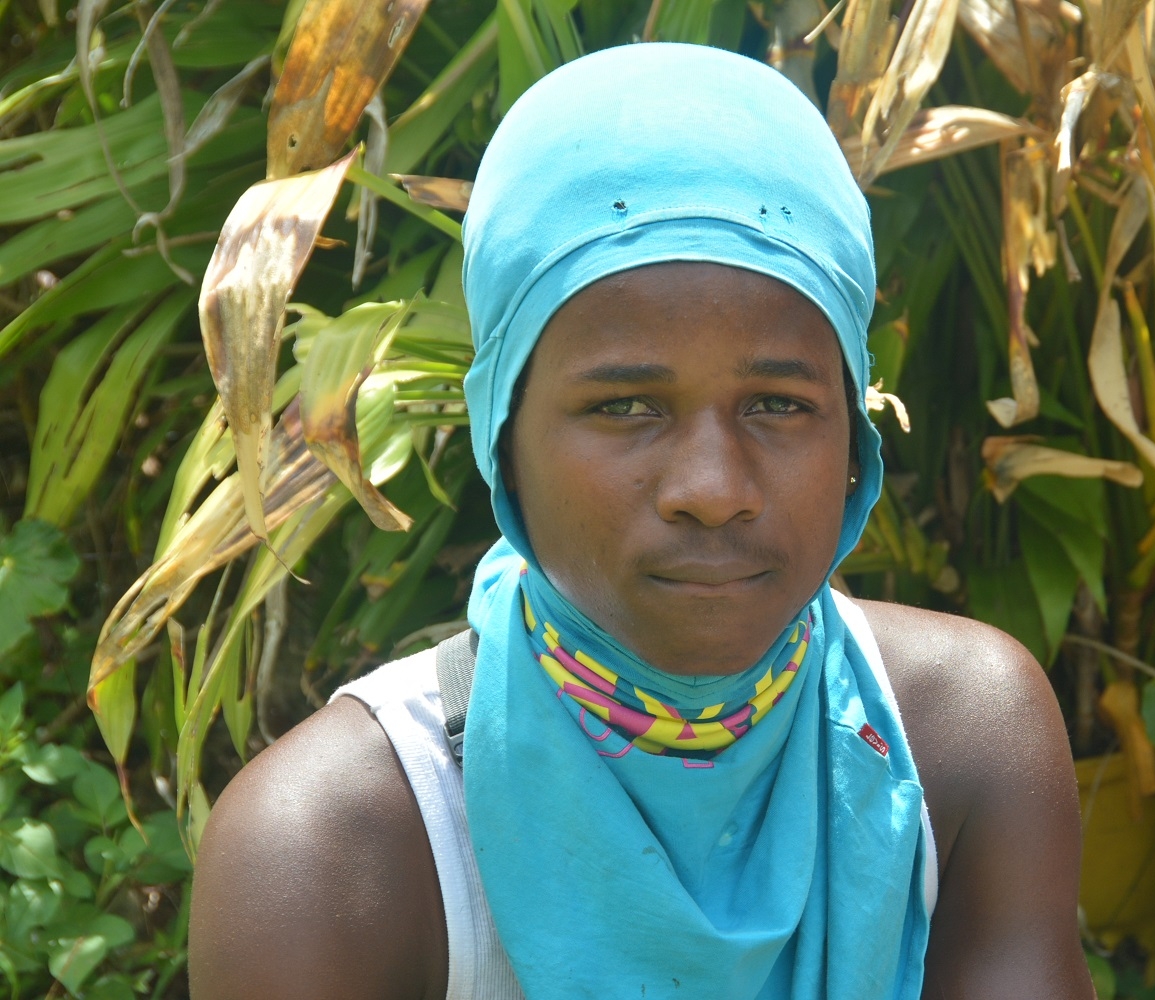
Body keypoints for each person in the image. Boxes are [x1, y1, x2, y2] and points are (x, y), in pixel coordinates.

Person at [189, 43, 1091, 1000]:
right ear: (503, 439)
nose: (711, 486)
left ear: (854, 441)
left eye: (778, 404)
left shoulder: (956, 739)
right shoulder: (340, 845)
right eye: (626, 406)